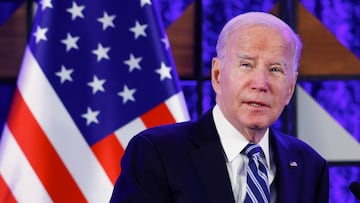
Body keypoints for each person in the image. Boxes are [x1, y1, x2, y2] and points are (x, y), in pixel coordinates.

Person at [110, 11, 329, 203]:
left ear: (290, 88)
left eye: (275, 70)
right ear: (217, 75)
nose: (260, 84)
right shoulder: (156, 153)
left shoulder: (309, 166)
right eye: (246, 65)